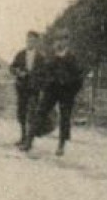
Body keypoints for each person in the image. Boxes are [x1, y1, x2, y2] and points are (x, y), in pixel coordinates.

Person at [23, 28, 85, 156]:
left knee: (65, 118)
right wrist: (45, 85)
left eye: (62, 39)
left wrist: (72, 91)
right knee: (40, 113)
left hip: (66, 93)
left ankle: (61, 146)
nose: (59, 43)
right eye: (57, 40)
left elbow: (79, 78)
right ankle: (29, 142)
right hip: (51, 91)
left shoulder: (72, 58)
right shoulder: (51, 57)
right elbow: (45, 72)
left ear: (67, 41)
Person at [9, 30, 42, 146]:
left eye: (32, 40)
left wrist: (39, 83)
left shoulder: (41, 57)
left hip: (34, 90)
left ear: (37, 42)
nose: (30, 42)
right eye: (28, 40)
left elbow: (45, 73)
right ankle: (23, 137)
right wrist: (19, 72)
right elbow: (12, 68)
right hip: (22, 88)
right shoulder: (20, 54)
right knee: (21, 113)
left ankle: (29, 141)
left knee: (32, 114)